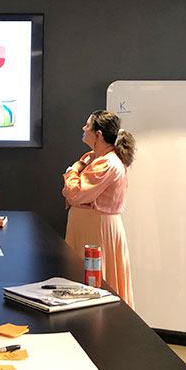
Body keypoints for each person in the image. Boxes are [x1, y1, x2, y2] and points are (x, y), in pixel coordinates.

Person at [62, 110, 136, 308]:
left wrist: (72, 171)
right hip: (90, 227)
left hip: (96, 230)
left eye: (87, 126)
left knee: (95, 278)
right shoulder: (95, 158)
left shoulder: (106, 162)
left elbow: (75, 193)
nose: (83, 129)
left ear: (99, 135)